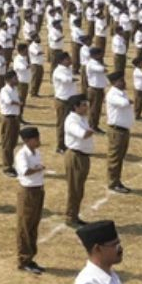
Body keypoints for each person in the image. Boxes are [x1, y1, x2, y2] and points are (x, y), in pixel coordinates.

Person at [14, 126, 47, 275]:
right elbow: (25, 171)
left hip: (38, 190)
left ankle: (30, 256)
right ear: (27, 140)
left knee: (33, 224)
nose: (38, 141)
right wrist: (38, 169)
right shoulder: (22, 155)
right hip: (28, 192)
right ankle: (24, 259)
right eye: (36, 138)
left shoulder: (36, 152)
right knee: (25, 225)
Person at [64, 95, 94, 227]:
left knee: (79, 188)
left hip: (83, 156)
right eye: (83, 105)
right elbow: (82, 134)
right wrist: (90, 131)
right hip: (76, 156)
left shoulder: (82, 118)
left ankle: (75, 215)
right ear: (75, 107)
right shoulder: (72, 120)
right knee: (75, 188)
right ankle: (71, 217)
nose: (86, 107)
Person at [104, 71, 134, 194]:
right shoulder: (112, 94)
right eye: (121, 80)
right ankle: (113, 182)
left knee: (120, 157)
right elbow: (123, 103)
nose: (124, 82)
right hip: (116, 130)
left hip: (123, 130)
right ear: (115, 82)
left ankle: (117, 180)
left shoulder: (122, 93)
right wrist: (129, 101)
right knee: (115, 157)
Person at [0, 70, 22, 177]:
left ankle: (10, 164)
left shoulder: (15, 89)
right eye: (14, 78)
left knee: (13, 142)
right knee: (7, 143)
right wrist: (18, 103)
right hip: (8, 118)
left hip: (15, 118)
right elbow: (9, 101)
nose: (16, 80)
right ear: (8, 80)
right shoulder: (4, 90)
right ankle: (7, 166)